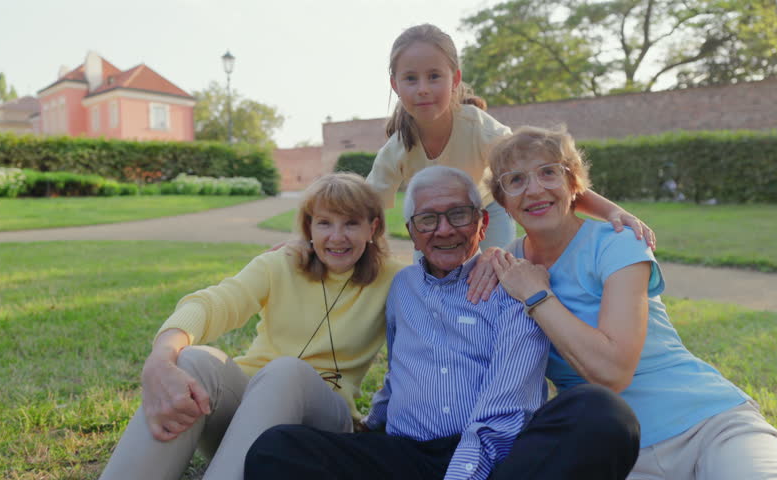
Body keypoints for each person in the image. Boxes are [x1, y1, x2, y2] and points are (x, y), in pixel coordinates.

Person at [244, 166, 640, 480]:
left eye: (458, 214)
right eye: (428, 220)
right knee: (277, 448)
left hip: (498, 461)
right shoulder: (400, 286)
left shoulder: (515, 284)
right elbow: (401, 368)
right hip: (407, 456)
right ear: (413, 234)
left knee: (601, 413)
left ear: (482, 224)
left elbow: (503, 411)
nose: (445, 229)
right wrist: (373, 424)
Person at [484, 126, 777, 480]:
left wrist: (538, 296)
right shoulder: (504, 268)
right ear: (503, 202)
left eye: (549, 173)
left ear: (574, 184)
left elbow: (613, 372)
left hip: (708, 422)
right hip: (614, 449)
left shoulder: (617, 243)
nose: (535, 189)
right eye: (516, 180)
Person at [99, 173, 405, 480]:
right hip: (248, 417)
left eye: (351, 223)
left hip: (322, 424)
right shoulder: (281, 264)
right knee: (193, 360)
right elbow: (215, 303)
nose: (337, 237)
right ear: (309, 226)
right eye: (324, 222)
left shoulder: (397, 280)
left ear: (372, 227)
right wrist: (161, 356)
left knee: (286, 371)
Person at [366, 23, 656, 254]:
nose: (423, 89)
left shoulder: (481, 129)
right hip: (433, 221)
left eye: (434, 76)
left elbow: (545, 179)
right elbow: (367, 208)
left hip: (487, 209)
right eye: (411, 79)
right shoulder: (397, 150)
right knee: (431, 280)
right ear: (395, 84)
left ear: (455, 79)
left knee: (497, 275)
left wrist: (613, 212)